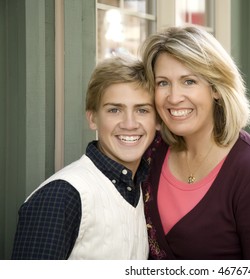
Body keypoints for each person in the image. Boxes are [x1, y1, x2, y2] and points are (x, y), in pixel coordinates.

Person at [140, 26, 250, 260]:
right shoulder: (151, 151)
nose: (173, 97)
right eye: (163, 83)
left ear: (216, 89)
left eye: (189, 81)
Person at [11, 55, 159, 259]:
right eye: (115, 110)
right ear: (93, 118)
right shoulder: (61, 196)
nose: (129, 123)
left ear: (157, 121)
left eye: (142, 110)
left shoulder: (141, 189)